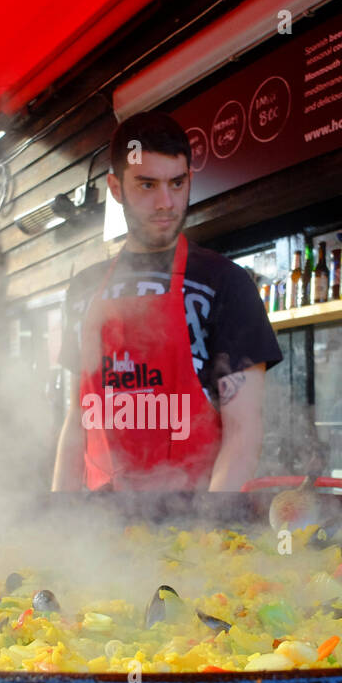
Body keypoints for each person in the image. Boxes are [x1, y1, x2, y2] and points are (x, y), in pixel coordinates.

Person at [51, 111, 282, 491]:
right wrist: (58, 516)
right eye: (147, 185)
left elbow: (243, 434)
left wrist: (206, 534)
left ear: (190, 179)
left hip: (190, 527)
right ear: (115, 187)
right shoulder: (84, 290)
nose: (166, 202)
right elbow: (77, 421)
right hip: (95, 532)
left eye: (177, 183)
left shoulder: (226, 284)